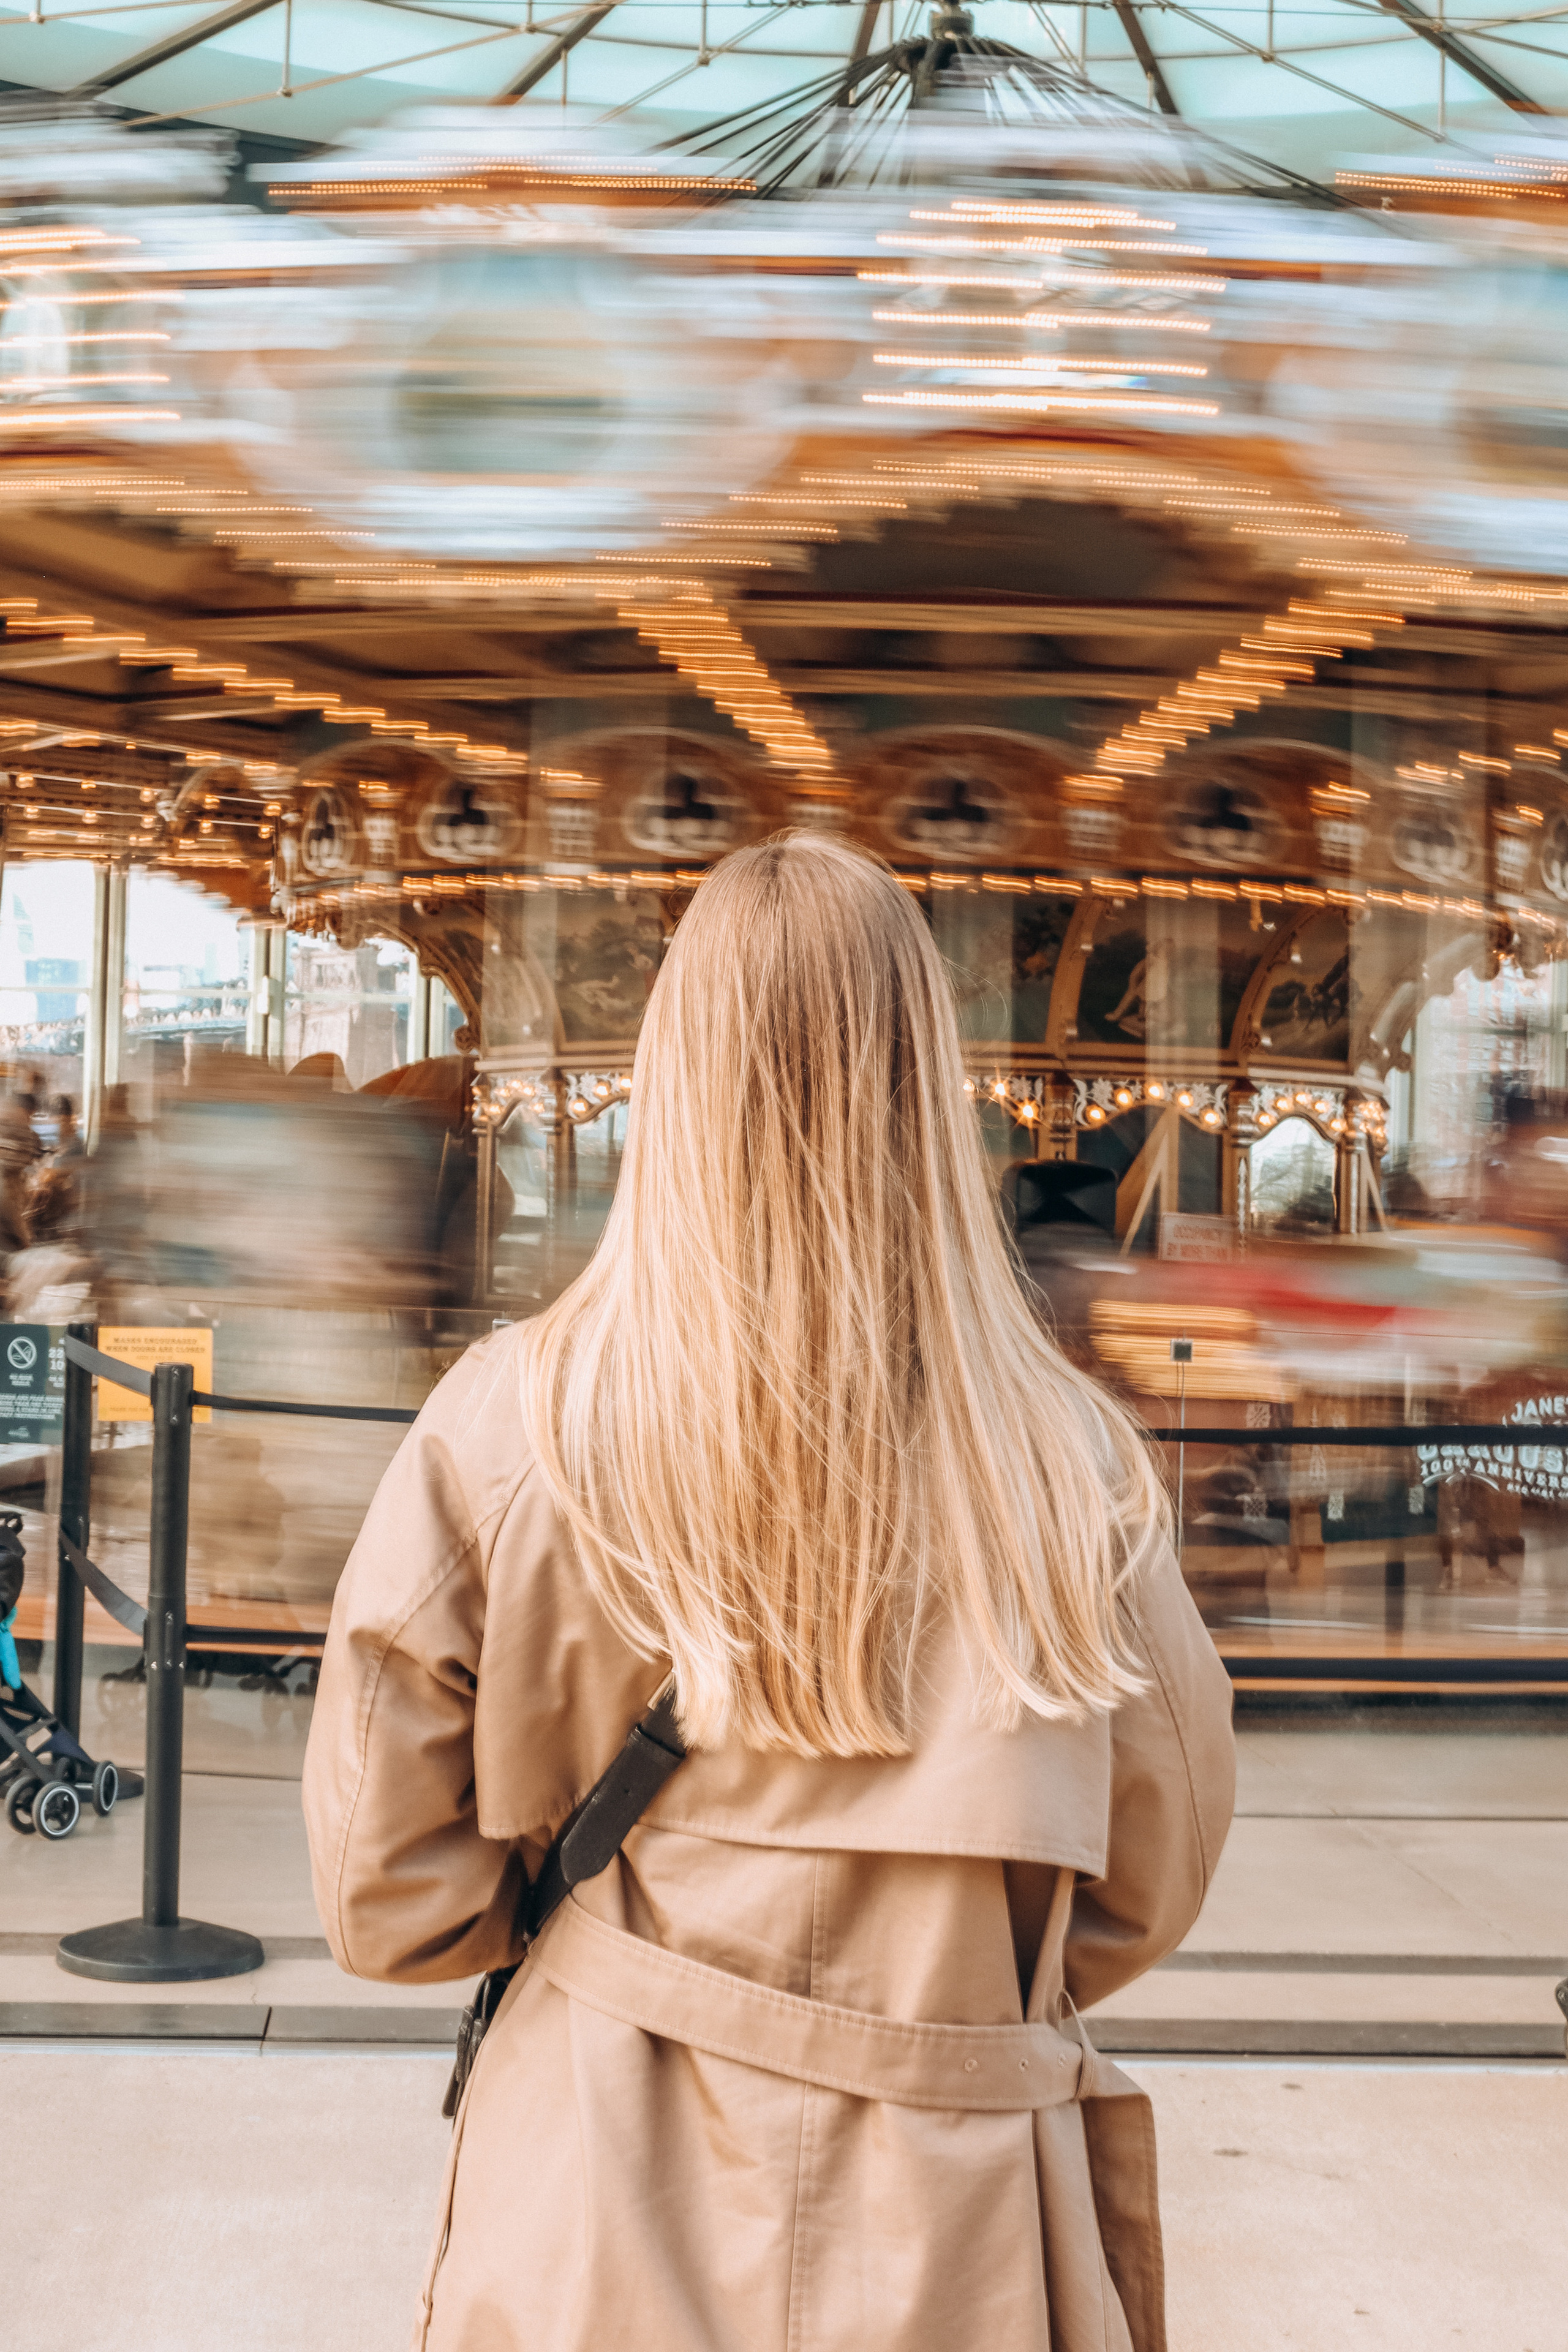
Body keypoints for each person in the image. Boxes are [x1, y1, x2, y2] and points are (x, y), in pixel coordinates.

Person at [303, 834, 1235, 2352]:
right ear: (923, 1082)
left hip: (594, 2199)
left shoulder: (506, 1427)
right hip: (963, 2217)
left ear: (672, 1075)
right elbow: (1147, 1876)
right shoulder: (1075, 1465)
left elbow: (385, 1899)